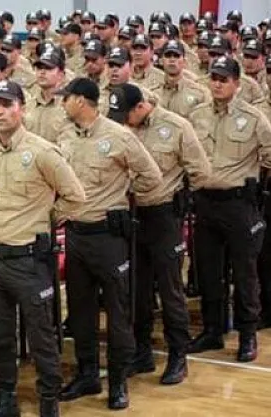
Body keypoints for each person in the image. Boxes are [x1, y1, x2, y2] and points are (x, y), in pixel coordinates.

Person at [0, 79, 85, 417]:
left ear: (21, 109)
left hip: (28, 260)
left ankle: (48, 402)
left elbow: (76, 196)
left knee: (41, 336)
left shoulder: (42, 152)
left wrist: (45, 218)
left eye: (6, 105)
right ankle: (5, 399)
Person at [55, 77, 162, 410]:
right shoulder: (65, 136)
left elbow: (151, 176)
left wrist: (121, 195)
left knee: (117, 313)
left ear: (81, 101)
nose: (62, 103)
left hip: (108, 236)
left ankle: (118, 382)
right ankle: (87, 374)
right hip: (76, 234)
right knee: (81, 310)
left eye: (66, 98)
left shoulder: (119, 136)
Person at [107, 83, 211, 384]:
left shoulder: (176, 127)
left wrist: (179, 194)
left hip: (163, 215)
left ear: (141, 106)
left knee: (170, 289)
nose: (123, 121)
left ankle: (178, 354)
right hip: (132, 215)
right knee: (137, 290)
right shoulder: (121, 128)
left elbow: (201, 170)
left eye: (126, 114)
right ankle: (142, 352)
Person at [187, 56, 271, 362]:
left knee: (245, 272)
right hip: (205, 202)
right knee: (208, 271)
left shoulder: (253, 118)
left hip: (238, 204)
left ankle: (247, 334)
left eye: (224, 79)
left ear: (237, 83)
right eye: (214, 78)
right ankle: (213, 330)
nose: (217, 84)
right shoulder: (197, 115)